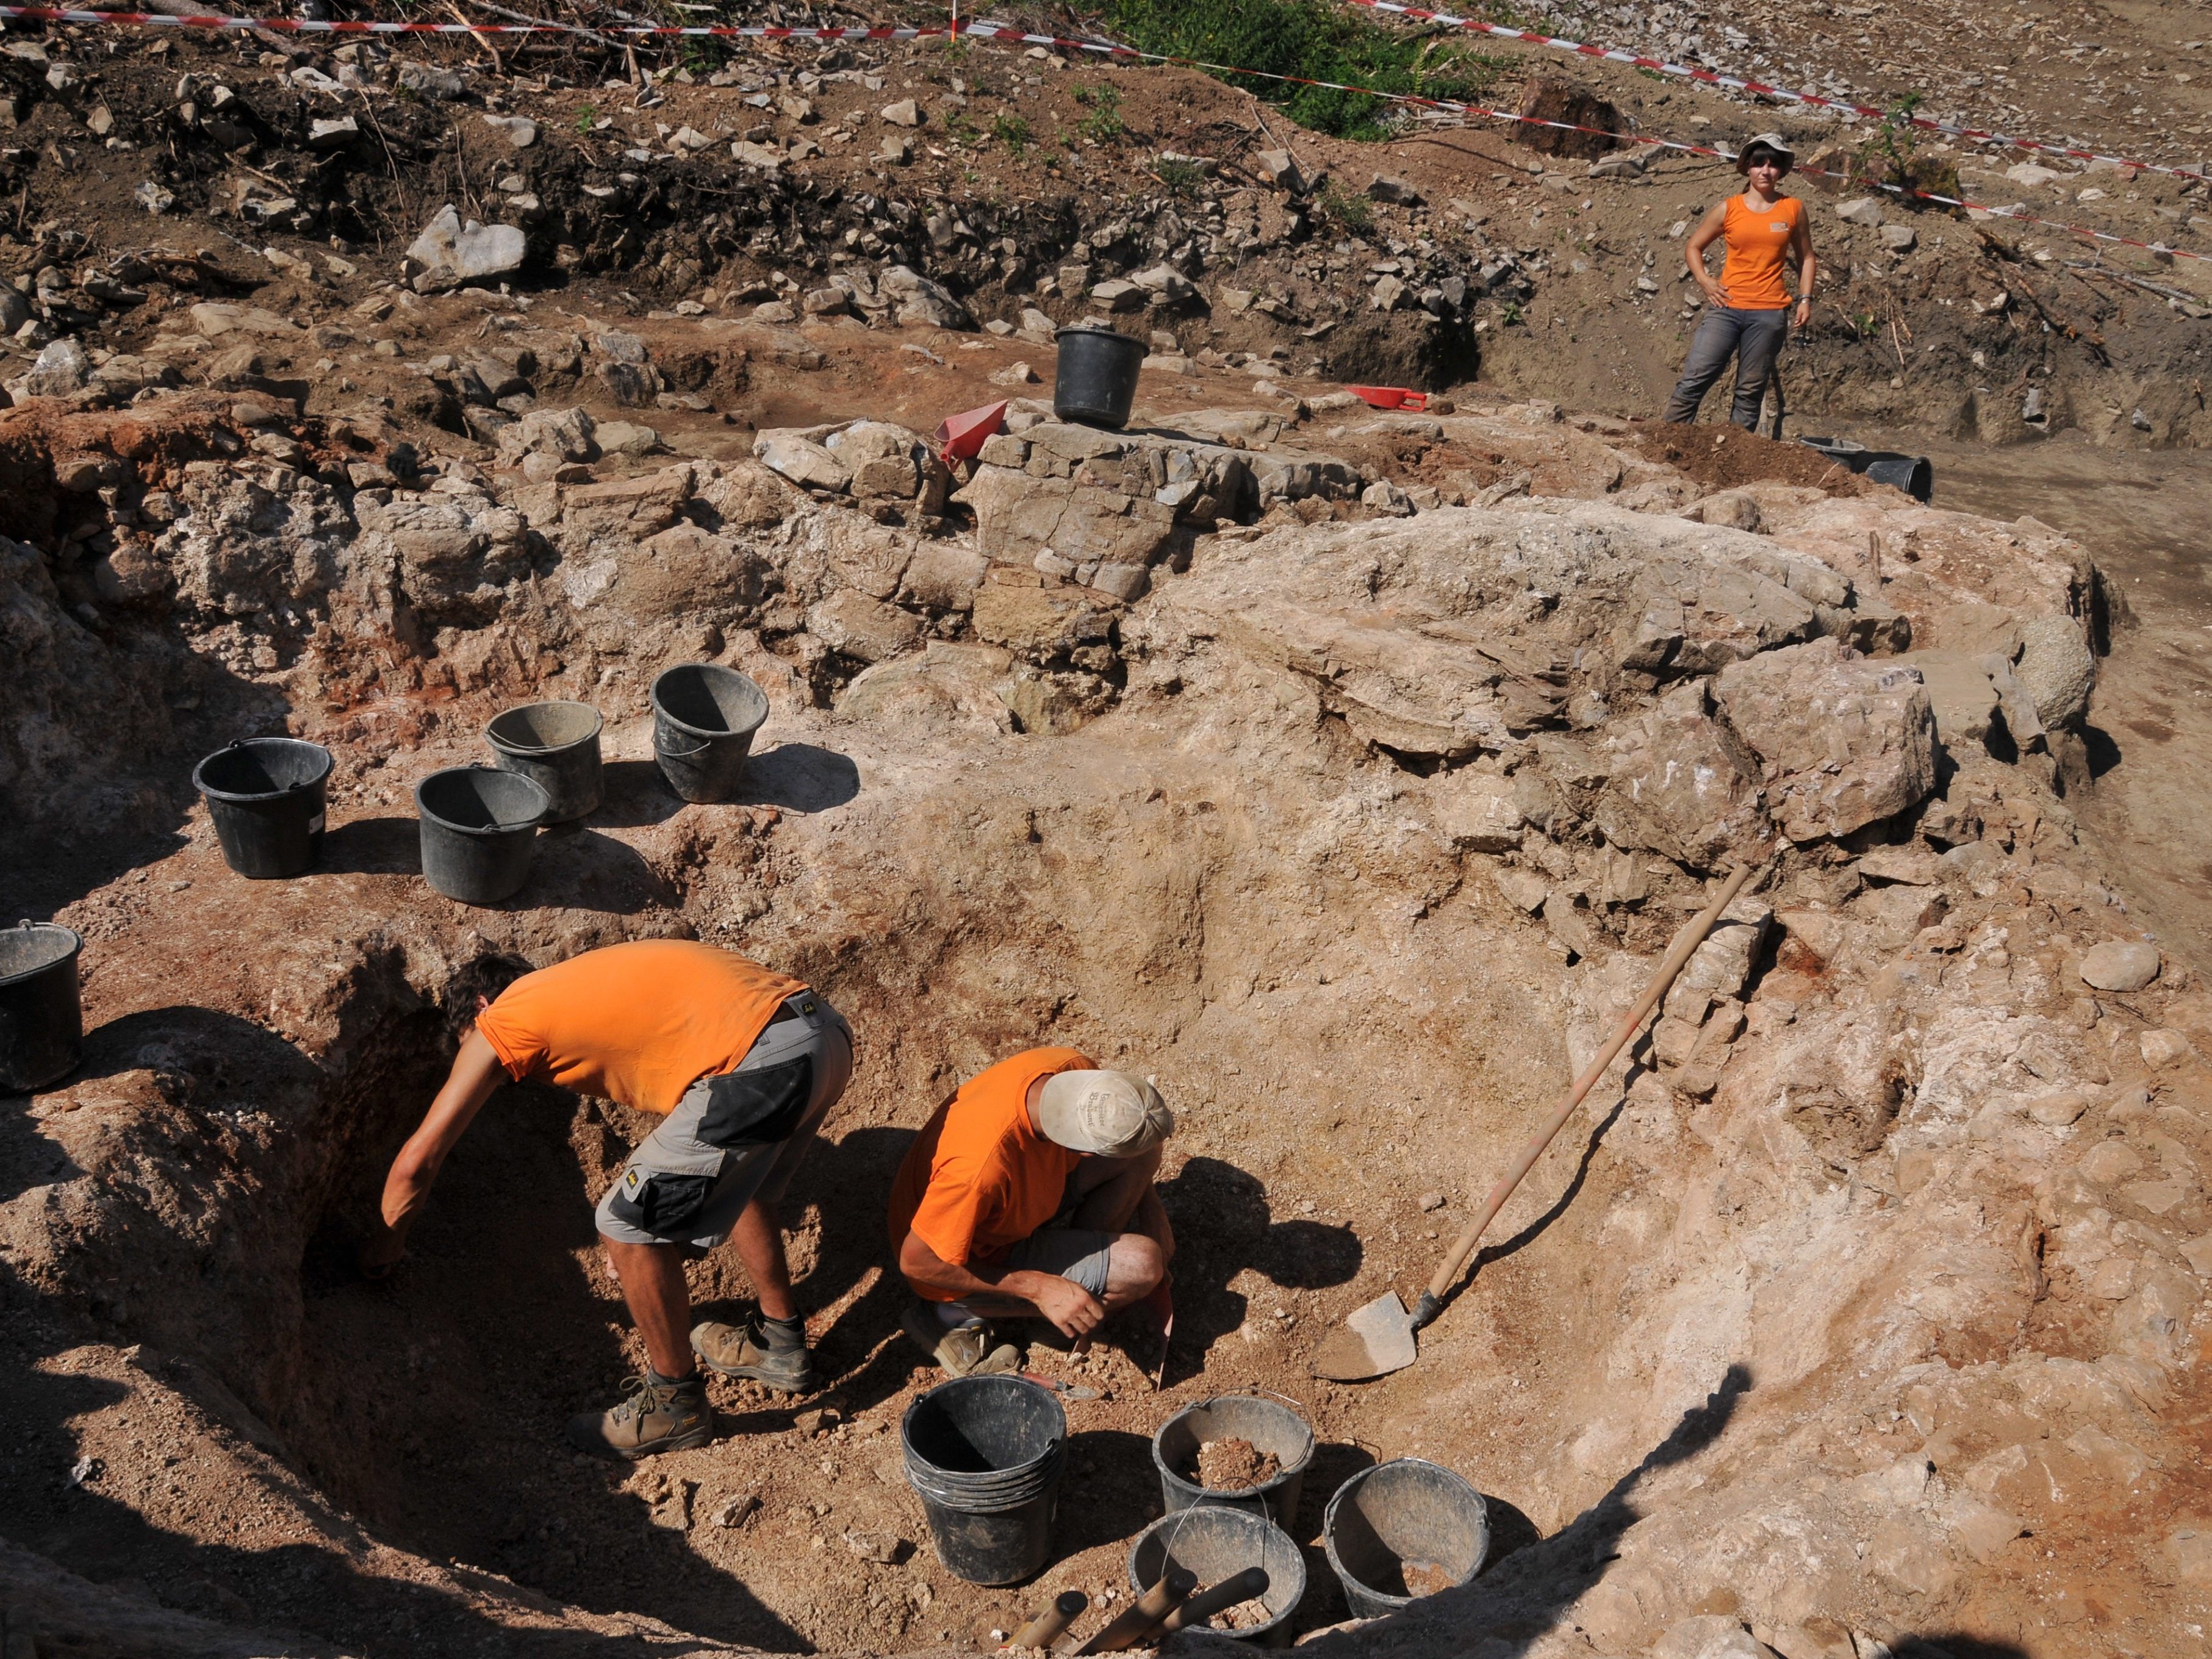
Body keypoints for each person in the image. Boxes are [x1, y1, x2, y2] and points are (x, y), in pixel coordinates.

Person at [361, 939, 854, 1459]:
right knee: (739, 1181)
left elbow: (419, 1159)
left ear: (481, 1005)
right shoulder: (582, 988)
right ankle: (779, 1341)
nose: (502, 1077)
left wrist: (384, 1246)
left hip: (762, 1064)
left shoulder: (503, 1018)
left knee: (622, 1223)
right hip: (821, 1035)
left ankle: (674, 1404)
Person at [888, 1048, 1174, 1377]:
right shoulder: (979, 1172)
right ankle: (951, 1315)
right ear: (1085, 1151)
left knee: (1144, 1145)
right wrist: (1038, 1287)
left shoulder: (1073, 1071)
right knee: (1141, 1265)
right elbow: (916, 1262)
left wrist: (1153, 1212)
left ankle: (1071, 1281)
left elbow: (1137, 1147)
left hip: (1011, 1205)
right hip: (962, 1251)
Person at [1662, 132, 1817, 431]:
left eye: (1773, 165)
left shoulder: (1794, 209)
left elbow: (1807, 256)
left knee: (1749, 393)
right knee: (1695, 379)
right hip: (1727, 309)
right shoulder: (1729, 208)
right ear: (1748, 167)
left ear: (1782, 171)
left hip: (1770, 314)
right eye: (1759, 164)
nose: (1766, 171)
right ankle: (1667, 444)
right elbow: (1693, 246)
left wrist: (1805, 299)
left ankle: (1735, 465)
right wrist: (1706, 282)